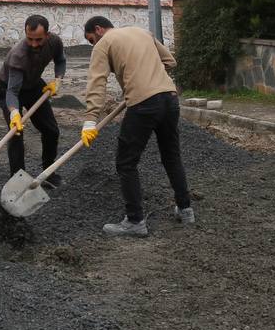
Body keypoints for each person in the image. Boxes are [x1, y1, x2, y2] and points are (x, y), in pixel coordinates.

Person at [81, 15, 193, 236]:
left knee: (126, 163)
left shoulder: (104, 44)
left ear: (98, 30)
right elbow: (170, 61)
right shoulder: (142, 32)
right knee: (171, 156)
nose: (93, 44)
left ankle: (135, 221)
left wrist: (90, 120)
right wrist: (148, 76)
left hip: (143, 104)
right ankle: (186, 209)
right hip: (170, 98)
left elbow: (97, 81)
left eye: (91, 39)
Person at [0, 14, 67, 186]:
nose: (34, 44)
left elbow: (60, 61)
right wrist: (14, 113)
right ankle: (17, 181)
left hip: (34, 86)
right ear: (25, 33)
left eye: (38, 40)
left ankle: (48, 173)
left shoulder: (54, 42)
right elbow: (12, 91)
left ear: (47, 35)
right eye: (30, 39)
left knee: (51, 130)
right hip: (9, 89)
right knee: (16, 134)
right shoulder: (18, 55)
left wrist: (58, 80)